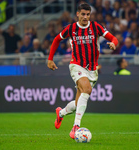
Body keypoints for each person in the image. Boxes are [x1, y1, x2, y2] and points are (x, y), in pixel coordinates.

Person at [47, 3, 118, 139]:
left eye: (88, 14)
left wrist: (114, 43)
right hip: (76, 65)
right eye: (83, 14)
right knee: (86, 89)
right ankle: (76, 127)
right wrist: (50, 59)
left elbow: (113, 38)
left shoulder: (96, 27)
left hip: (92, 70)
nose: (85, 17)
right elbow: (56, 39)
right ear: (78, 14)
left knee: (78, 102)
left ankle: (60, 113)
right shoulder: (71, 28)